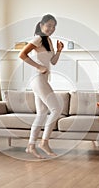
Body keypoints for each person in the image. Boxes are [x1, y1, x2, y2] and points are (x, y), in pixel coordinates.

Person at [19, 14, 64, 159]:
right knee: (56, 109)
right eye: (49, 25)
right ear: (41, 25)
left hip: (42, 79)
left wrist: (58, 51)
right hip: (38, 79)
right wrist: (38, 67)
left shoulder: (48, 40)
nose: (51, 28)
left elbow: (53, 62)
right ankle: (44, 142)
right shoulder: (38, 38)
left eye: (53, 26)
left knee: (42, 113)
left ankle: (31, 146)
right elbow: (22, 54)